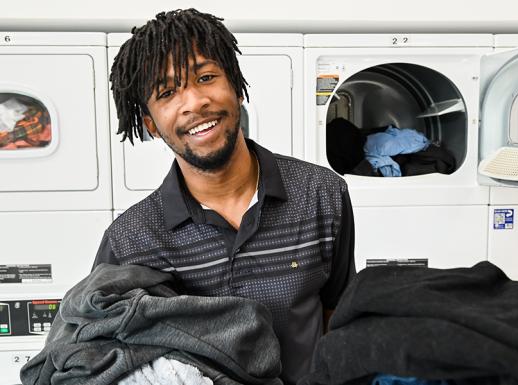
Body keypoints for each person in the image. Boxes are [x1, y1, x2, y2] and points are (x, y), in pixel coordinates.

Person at [93, 9, 355, 384]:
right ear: (151, 124)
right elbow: (101, 350)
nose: (194, 102)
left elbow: (337, 315)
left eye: (205, 77)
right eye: (167, 92)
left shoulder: (322, 194)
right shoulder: (130, 239)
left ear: (236, 86)